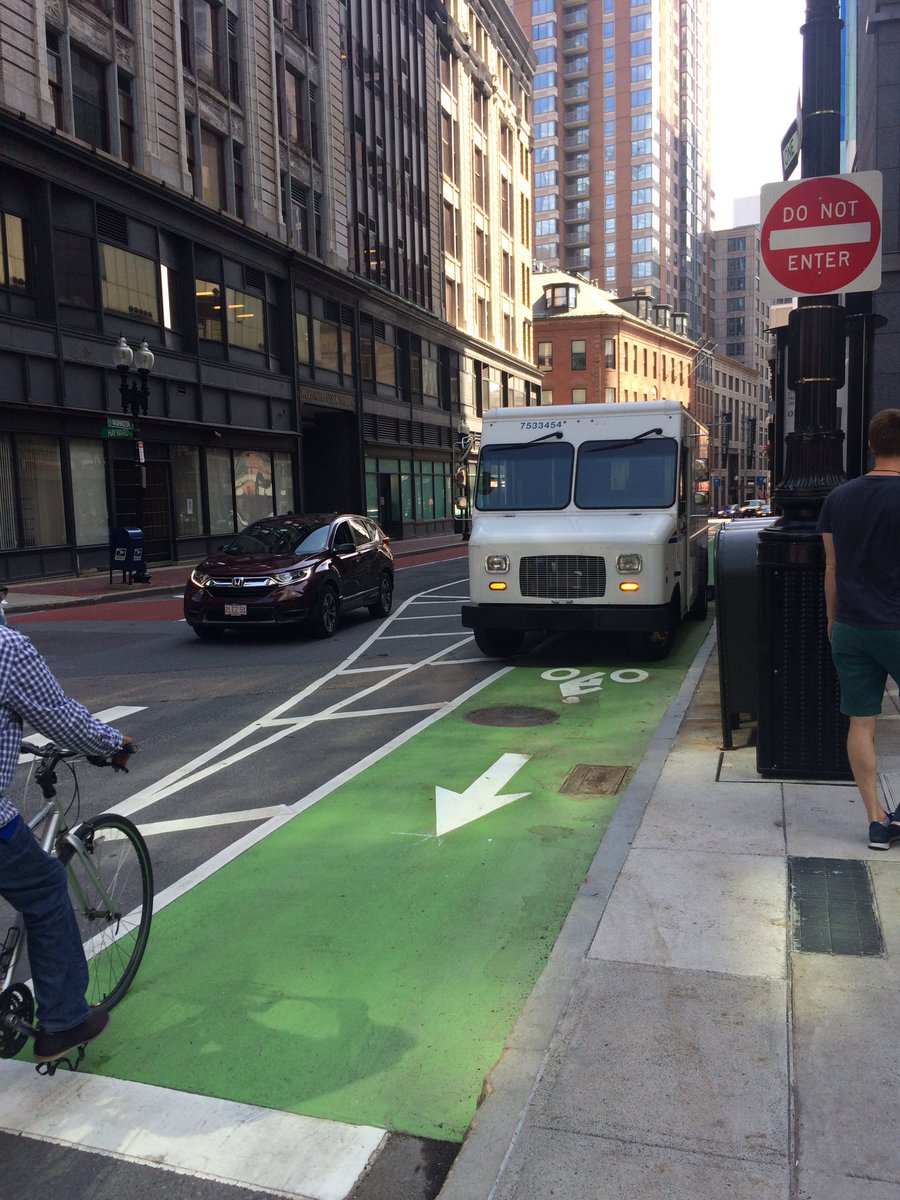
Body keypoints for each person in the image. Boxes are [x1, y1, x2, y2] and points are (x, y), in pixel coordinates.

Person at [0, 622, 134, 1061]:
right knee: (45, 888)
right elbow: (60, 717)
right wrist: (113, 744)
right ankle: (64, 1022)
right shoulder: (8, 648)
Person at [817, 408, 900, 850]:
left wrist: (833, 617)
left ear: (871, 444)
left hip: (850, 625)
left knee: (861, 723)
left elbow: (831, 565)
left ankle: (876, 820)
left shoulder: (839, 498)